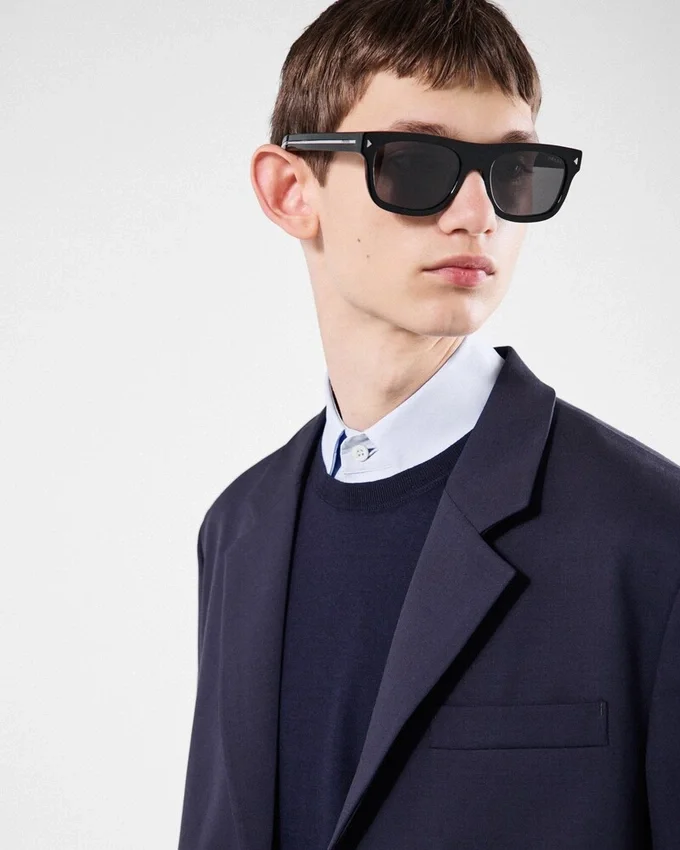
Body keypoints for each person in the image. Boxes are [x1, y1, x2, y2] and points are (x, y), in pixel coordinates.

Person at [178, 1, 680, 848]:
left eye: (515, 170)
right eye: (415, 164)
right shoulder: (237, 530)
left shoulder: (652, 538)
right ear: (291, 190)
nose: (478, 215)